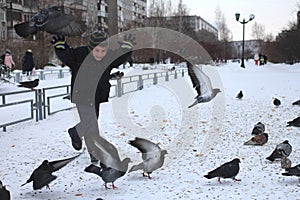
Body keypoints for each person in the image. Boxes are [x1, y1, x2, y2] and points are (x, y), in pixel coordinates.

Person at [51, 31, 135, 163]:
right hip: (82, 95)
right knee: (92, 124)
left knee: (91, 120)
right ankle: (94, 152)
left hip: (97, 95)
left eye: (103, 51)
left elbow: (120, 57)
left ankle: (76, 132)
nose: (100, 54)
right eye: (97, 50)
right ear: (91, 48)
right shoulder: (79, 55)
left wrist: (127, 47)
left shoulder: (108, 56)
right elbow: (66, 55)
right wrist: (60, 46)